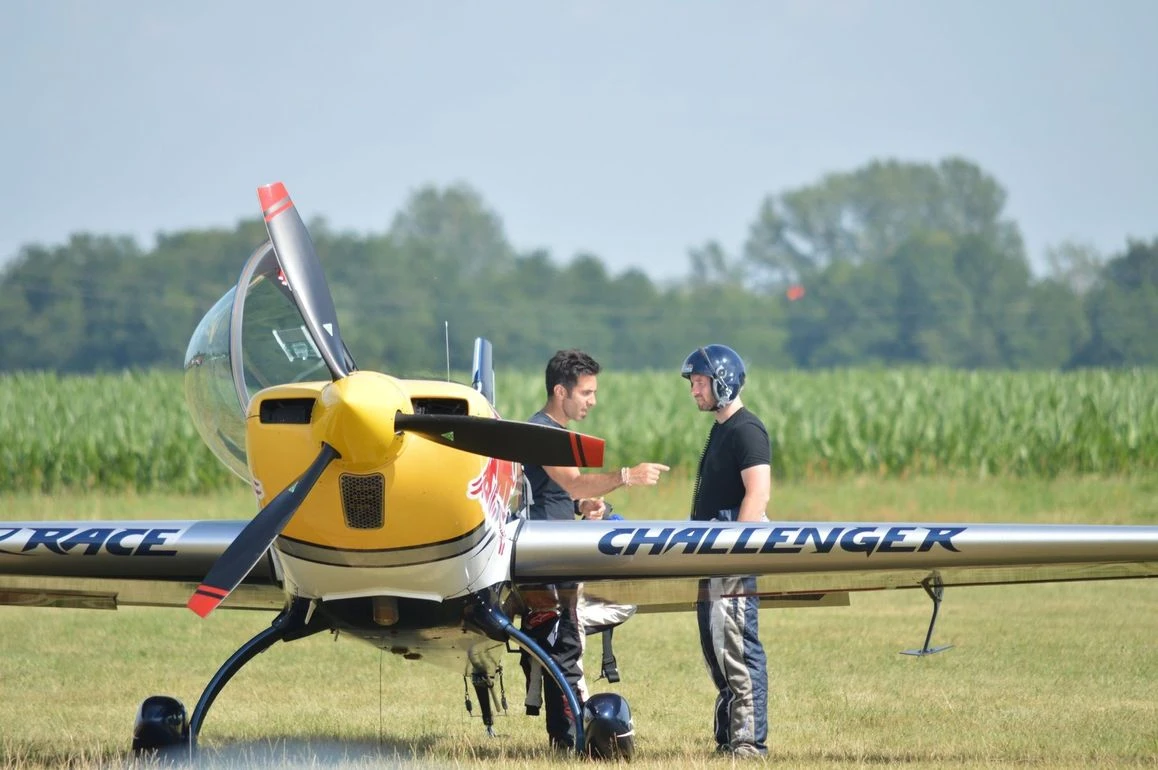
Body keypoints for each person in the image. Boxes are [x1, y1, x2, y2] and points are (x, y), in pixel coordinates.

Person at [520, 348, 669, 751]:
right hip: (548, 561)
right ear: (560, 391)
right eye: (586, 392)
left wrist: (581, 507)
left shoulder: (554, 433)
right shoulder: (546, 433)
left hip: (555, 554)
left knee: (560, 646)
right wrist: (626, 476)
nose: (592, 401)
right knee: (564, 647)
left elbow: (557, 493)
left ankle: (564, 739)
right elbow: (574, 483)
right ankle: (568, 741)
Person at [681, 344, 771, 759]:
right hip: (710, 552)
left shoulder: (747, 430)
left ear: (723, 382)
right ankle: (728, 738)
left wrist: (737, 552)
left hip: (730, 553)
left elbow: (758, 493)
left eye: (700, 383)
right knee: (715, 647)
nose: (695, 391)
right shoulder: (722, 429)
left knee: (736, 646)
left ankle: (749, 743)